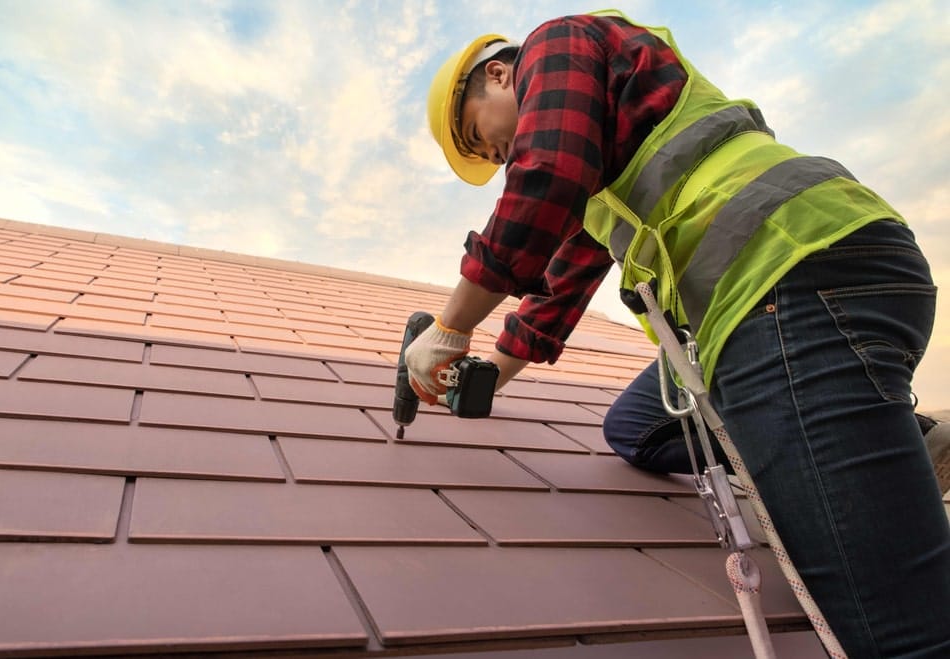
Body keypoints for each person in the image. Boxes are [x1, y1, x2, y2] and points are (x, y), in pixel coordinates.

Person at [405, 9, 950, 658]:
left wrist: (451, 325)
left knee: (893, 634)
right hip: (776, 296)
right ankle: (904, 440)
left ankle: (841, 451)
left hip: (790, 277)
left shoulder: (559, 40)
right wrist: (485, 374)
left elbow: (544, 177)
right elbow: (558, 287)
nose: (494, 158)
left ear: (498, 73)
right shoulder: (606, 169)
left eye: (480, 137)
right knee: (635, 426)